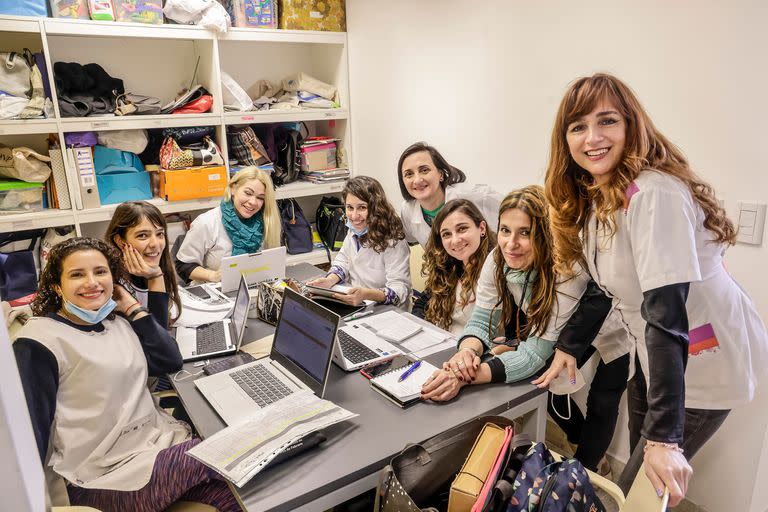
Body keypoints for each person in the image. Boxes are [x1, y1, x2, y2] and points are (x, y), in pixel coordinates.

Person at [539, 72, 768, 505]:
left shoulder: (653, 194)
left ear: (631, 126)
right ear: (564, 139)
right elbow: (604, 287)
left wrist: (665, 439)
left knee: (640, 490)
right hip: (653, 354)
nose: (593, 137)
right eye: (578, 127)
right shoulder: (601, 195)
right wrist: (569, 345)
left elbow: (665, 311)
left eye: (607, 121)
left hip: (700, 358)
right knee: (640, 478)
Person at [12, 237, 240, 512]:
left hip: (155, 449)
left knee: (233, 496)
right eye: (77, 275)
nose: (92, 282)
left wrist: (133, 307)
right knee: (225, 450)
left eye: (100, 272)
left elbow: (169, 360)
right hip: (99, 477)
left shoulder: (117, 324)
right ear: (56, 286)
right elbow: (27, 433)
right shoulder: (39, 341)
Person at [420, 185, 629, 474]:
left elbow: (534, 356)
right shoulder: (496, 259)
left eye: (524, 232)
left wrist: (465, 377)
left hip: (609, 327)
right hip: (560, 327)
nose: (510, 243)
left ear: (543, 234)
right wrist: (466, 353)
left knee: (602, 403)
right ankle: (578, 454)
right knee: (554, 393)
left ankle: (588, 473)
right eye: (505, 230)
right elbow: (482, 319)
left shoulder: (565, 270)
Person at [307, 176, 411, 308]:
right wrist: (330, 280)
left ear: (376, 208)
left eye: (362, 208)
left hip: (387, 310)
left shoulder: (393, 241)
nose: (354, 216)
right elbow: (343, 260)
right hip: (357, 303)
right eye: (350, 207)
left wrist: (367, 294)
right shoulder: (354, 230)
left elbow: (400, 290)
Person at [175, 166, 281, 284]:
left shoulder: (267, 222)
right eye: (248, 193)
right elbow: (183, 266)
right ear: (233, 189)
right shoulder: (206, 222)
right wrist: (213, 275)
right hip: (215, 292)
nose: (253, 202)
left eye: (260, 198)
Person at [411, 199, 496, 336]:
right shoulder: (449, 267)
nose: (455, 240)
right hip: (444, 344)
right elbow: (422, 304)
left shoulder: (498, 269)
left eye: (462, 229)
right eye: (446, 234)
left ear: (481, 228)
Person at [397, 142, 503, 247]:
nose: (417, 180)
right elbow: (407, 240)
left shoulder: (478, 196)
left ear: (441, 175)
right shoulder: (407, 211)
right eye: (409, 174)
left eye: (424, 170)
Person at [105, 200, 181, 327]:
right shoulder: (113, 284)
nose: (155, 244)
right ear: (120, 241)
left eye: (159, 234)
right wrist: (155, 276)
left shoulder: (159, 267)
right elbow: (157, 334)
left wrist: (156, 275)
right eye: (142, 235)